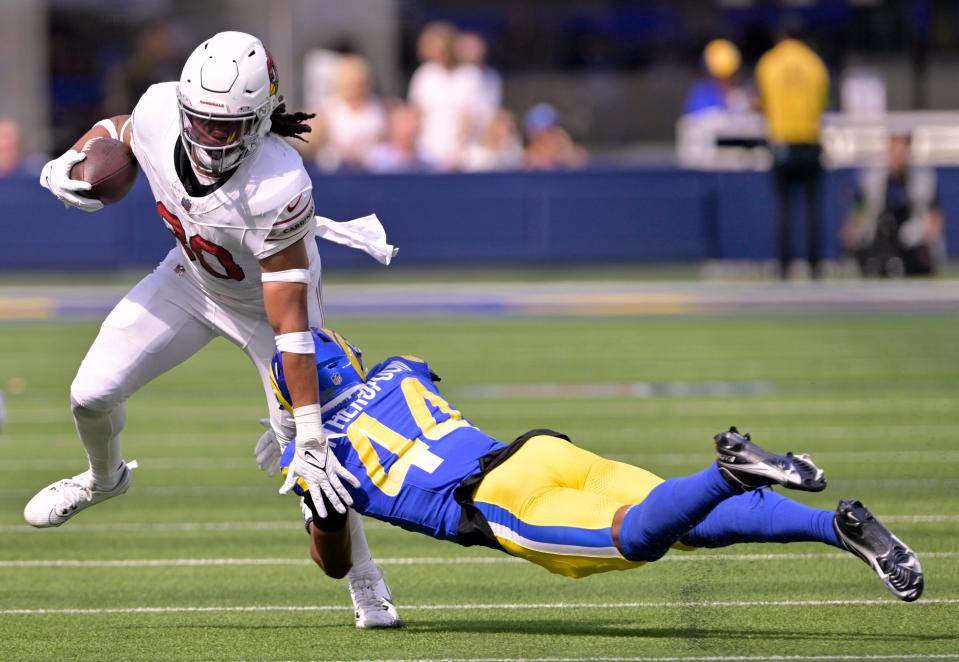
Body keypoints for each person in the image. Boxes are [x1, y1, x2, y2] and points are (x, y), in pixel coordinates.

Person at [24, 31, 400, 629]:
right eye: (199, 121)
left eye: (226, 128)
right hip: (189, 279)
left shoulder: (279, 185)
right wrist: (74, 158)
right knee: (89, 395)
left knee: (316, 470)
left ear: (258, 122)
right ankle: (103, 478)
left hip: (267, 313)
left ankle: (366, 583)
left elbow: (292, 327)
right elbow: (119, 130)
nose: (208, 137)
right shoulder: (159, 109)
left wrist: (307, 430)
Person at [257, 328, 924, 603]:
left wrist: (318, 504)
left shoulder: (312, 450)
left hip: (492, 500)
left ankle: (732, 470)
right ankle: (837, 528)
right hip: (540, 451)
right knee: (685, 516)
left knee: (637, 537)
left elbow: (335, 561)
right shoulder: (400, 370)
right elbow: (394, 380)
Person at [756, 22, 830, 279]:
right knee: (813, 209)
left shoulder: (769, 63)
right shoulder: (815, 64)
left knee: (784, 210)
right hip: (810, 141)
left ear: (781, 35)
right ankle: (814, 266)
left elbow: (764, 101)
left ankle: (784, 267)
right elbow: (822, 102)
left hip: (783, 143)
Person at [841, 134, 944, 277]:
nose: (898, 156)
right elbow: (859, 208)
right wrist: (852, 230)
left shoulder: (923, 179)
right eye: (894, 150)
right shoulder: (871, 178)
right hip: (879, 237)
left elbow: (934, 214)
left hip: (910, 240)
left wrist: (930, 237)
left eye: (902, 150)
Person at [407, 22, 485, 170]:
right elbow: (417, 114)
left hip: (462, 155)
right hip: (427, 152)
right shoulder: (424, 75)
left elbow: (469, 116)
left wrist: (457, 153)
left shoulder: (470, 75)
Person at [301, 55, 386, 172]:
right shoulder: (328, 107)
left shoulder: (375, 107)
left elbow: (381, 138)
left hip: (369, 168)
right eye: (351, 83)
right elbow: (314, 141)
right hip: (335, 168)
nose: (356, 88)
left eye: (360, 83)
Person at [683, 39, 753, 116]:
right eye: (721, 78)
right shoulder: (701, 96)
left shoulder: (743, 93)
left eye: (730, 76)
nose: (726, 82)